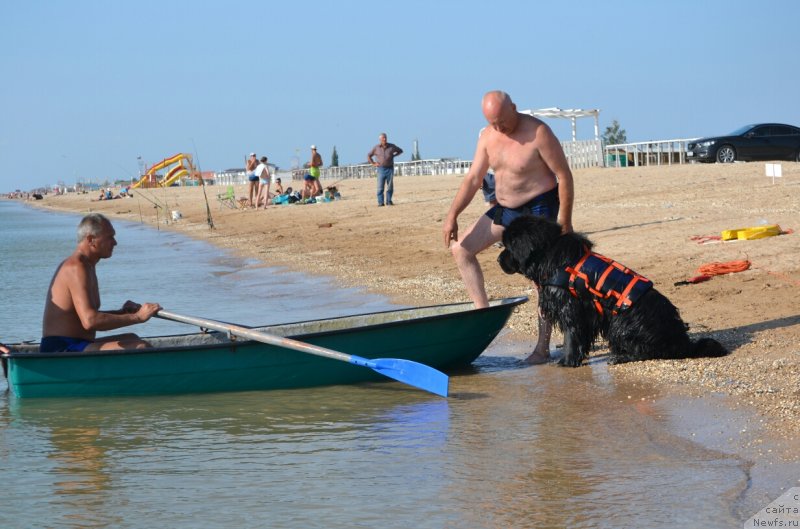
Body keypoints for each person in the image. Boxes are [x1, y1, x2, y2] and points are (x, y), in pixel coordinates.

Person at [442, 90, 574, 364]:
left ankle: (542, 348)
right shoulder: (488, 137)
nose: (500, 128)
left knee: (542, 279)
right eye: (494, 123)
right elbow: (473, 179)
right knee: (462, 250)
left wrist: (565, 220)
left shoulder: (538, 132)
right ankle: (483, 319)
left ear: (514, 107)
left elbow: (564, 176)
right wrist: (452, 214)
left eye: (503, 121)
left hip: (539, 209)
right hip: (506, 210)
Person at [40, 213, 162, 352]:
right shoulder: (76, 267)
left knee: (132, 338)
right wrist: (137, 317)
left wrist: (122, 312)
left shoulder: (87, 266)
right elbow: (90, 321)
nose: (115, 242)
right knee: (140, 347)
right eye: (110, 237)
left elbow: (84, 316)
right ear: (91, 239)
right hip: (61, 348)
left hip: (78, 343)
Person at [367, 133, 403, 206]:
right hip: (381, 169)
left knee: (390, 186)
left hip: (390, 168)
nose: (384, 139)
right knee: (380, 187)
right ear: (380, 139)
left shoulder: (392, 146)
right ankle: (380, 202)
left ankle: (389, 201)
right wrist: (373, 163)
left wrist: (394, 155)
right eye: (383, 138)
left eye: (385, 138)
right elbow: (369, 155)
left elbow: (400, 150)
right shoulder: (376, 148)